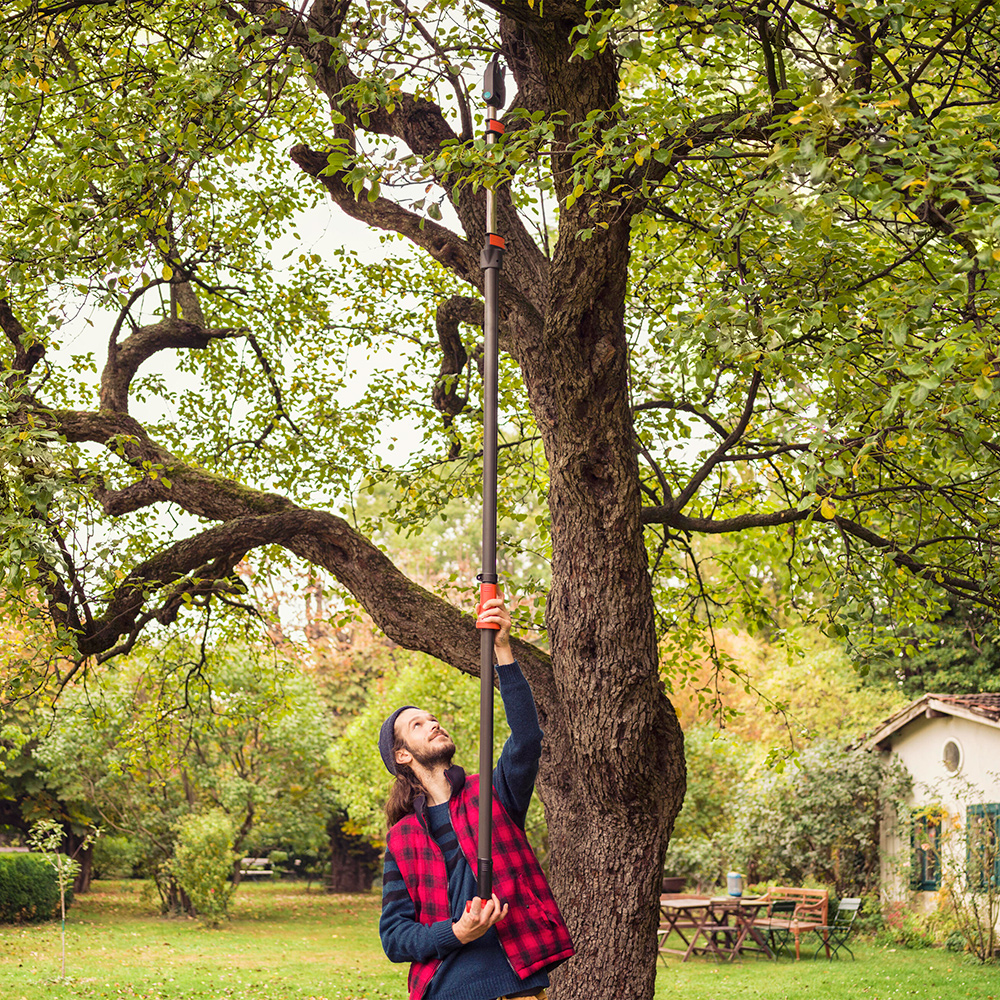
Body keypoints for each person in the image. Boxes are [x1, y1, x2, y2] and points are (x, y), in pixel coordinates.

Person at [378, 595, 574, 1000]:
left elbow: (527, 739)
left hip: (516, 984)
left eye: (433, 718)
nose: (433, 724)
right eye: (417, 725)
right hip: (445, 989)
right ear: (402, 755)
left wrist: (502, 650)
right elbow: (394, 937)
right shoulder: (402, 838)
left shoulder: (491, 793)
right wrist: (456, 932)